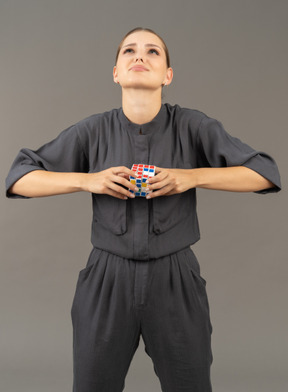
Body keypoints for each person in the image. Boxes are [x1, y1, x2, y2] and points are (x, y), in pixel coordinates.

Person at [6, 27, 281, 392]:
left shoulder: (193, 126)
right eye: (129, 51)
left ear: (168, 75)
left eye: (153, 52)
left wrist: (191, 177)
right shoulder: (93, 130)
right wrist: (88, 180)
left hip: (175, 279)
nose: (140, 56)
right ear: (116, 72)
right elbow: (18, 178)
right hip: (106, 279)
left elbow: (264, 173)